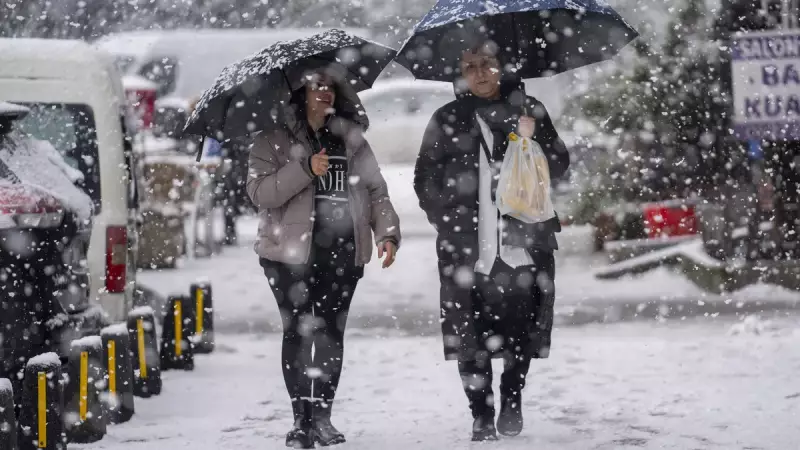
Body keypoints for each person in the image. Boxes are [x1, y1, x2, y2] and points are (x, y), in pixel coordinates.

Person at [414, 41, 570, 441]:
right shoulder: (447, 117)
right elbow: (424, 176)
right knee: (470, 330)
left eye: (487, 64)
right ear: (461, 72)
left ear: (502, 66)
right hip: (466, 246)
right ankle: (480, 413)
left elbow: (560, 166)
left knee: (521, 325)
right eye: (470, 66)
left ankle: (511, 397)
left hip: (523, 241)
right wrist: (446, 220)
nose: (480, 73)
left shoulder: (528, 109)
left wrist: (532, 140)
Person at [246, 70, 401, 448]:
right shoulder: (271, 141)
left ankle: (323, 417)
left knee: (331, 333)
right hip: (288, 256)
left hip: (343, 252)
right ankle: (301, 420)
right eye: (315, 86)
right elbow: (259, 193)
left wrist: (388, 233)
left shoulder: (351, 139)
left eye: (329, 86)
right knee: (298, 332)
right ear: (299, 94)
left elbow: (377, 190)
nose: (324, 92)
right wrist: (303, 169)